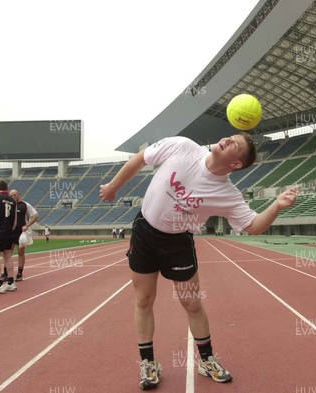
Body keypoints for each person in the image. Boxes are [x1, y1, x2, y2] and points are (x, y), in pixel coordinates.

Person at [100, 134, 297, 390]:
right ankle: (148, 363)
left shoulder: (226, 193)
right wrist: (114, 187)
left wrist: (277, 206)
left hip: (178, 243)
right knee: (143, 299)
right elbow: (141, 158)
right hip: (145, 232)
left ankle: (207, 360)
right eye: (231, 136)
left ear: (235, 164)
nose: (227, 139)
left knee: (192, 303)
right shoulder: (183, 147)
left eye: (234, 144)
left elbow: (253, 226)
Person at [2, 189, 39, 282]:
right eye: (11, 195)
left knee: (20, 252)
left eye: (14, 195)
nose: (13, 196)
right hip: (9, 232)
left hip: (20, 233)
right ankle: (6, 273)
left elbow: (35, 215)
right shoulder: (8, 205)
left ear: (18, 194)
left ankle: (19, 273)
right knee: (7, 253)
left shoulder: (25, 205)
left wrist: (27, 225)